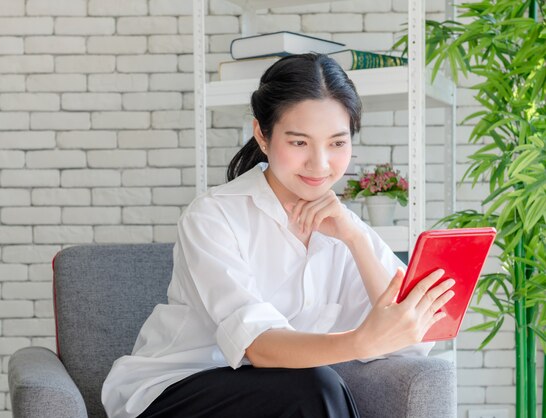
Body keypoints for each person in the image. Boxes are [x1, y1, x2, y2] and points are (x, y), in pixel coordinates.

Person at [101, 53, 455, 418]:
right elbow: (260, 348)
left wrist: (357, 240)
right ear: (263, 135)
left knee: (311, 385)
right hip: (175, 392)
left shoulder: (343, 228)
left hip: (277, 396)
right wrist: (361, 340)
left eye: (337, 143)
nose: (320, 164)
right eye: (299, 143)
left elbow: (409, 340)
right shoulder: (213, 216)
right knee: (315, 386)